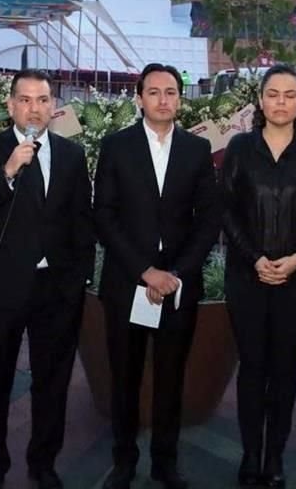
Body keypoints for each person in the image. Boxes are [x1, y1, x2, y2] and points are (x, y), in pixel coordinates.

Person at [0, 69, 94, 489]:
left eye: (42, 100)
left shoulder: (73, 156)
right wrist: (7, 171)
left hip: (55, 290)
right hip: (1, 288)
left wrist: (76, 282)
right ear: (10, 105)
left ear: (53, 107)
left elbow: (81, 224)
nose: (34, 108)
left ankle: (43, 462)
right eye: (25, 99)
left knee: (52, 382)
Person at [94, 63, 221, 489]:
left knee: (171, 378)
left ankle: (166, 463)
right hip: (128, 283)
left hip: (178, 288)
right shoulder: (115, 147)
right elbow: (104, 217)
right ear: (139, 98)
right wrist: (145, 271)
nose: (163, 99)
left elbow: (208, 220)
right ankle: (124, 461)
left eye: (171, 92)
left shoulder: (197, 150)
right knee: (124, 378)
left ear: (180, 99)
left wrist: (176, 274)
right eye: (154, 92)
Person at [220, 64, 296, 488]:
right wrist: (254, 259)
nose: (281, 102)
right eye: (273, 94)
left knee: (284, 367)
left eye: (290, 94)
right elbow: (226, 210)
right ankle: (251, 455)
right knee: (252, 367)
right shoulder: (239, 147)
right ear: (260, 99)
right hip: (246, 275)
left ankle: (275, 458)